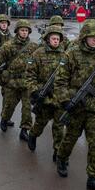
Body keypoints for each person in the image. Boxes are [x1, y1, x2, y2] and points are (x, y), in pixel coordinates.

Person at [54, 22, 95, 190]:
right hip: (76, 106)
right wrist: (65, 100)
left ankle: (93, 178)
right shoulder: (71, 54)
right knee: (71, 137)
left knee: (94, 144)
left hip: (94, 108)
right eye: (92, 37)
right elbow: (60, 81)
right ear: (85, 37)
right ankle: (62, 158)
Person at [0, 20, 37, 137]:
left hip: (26, 82)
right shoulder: (8, 45)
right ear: (17, 31)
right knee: (9, 105)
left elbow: (39, 64)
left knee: (27, 108)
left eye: (26, 30)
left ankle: (24, 130)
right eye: (22, 30)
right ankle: (4, 119)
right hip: (12, 82)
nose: (24, 33)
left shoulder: (33, 47)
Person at [25, 25, 65, 156]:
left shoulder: (65, 55)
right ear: (48, 39)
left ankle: (58, 152)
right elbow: (30, 75)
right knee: (40, 123)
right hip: (44, 95)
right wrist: (35, 91)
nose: (55, 41)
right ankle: (33, 134)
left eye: (58, 39)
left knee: (59, 126)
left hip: (59, 96)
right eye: (53, 38)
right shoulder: (38, 53)